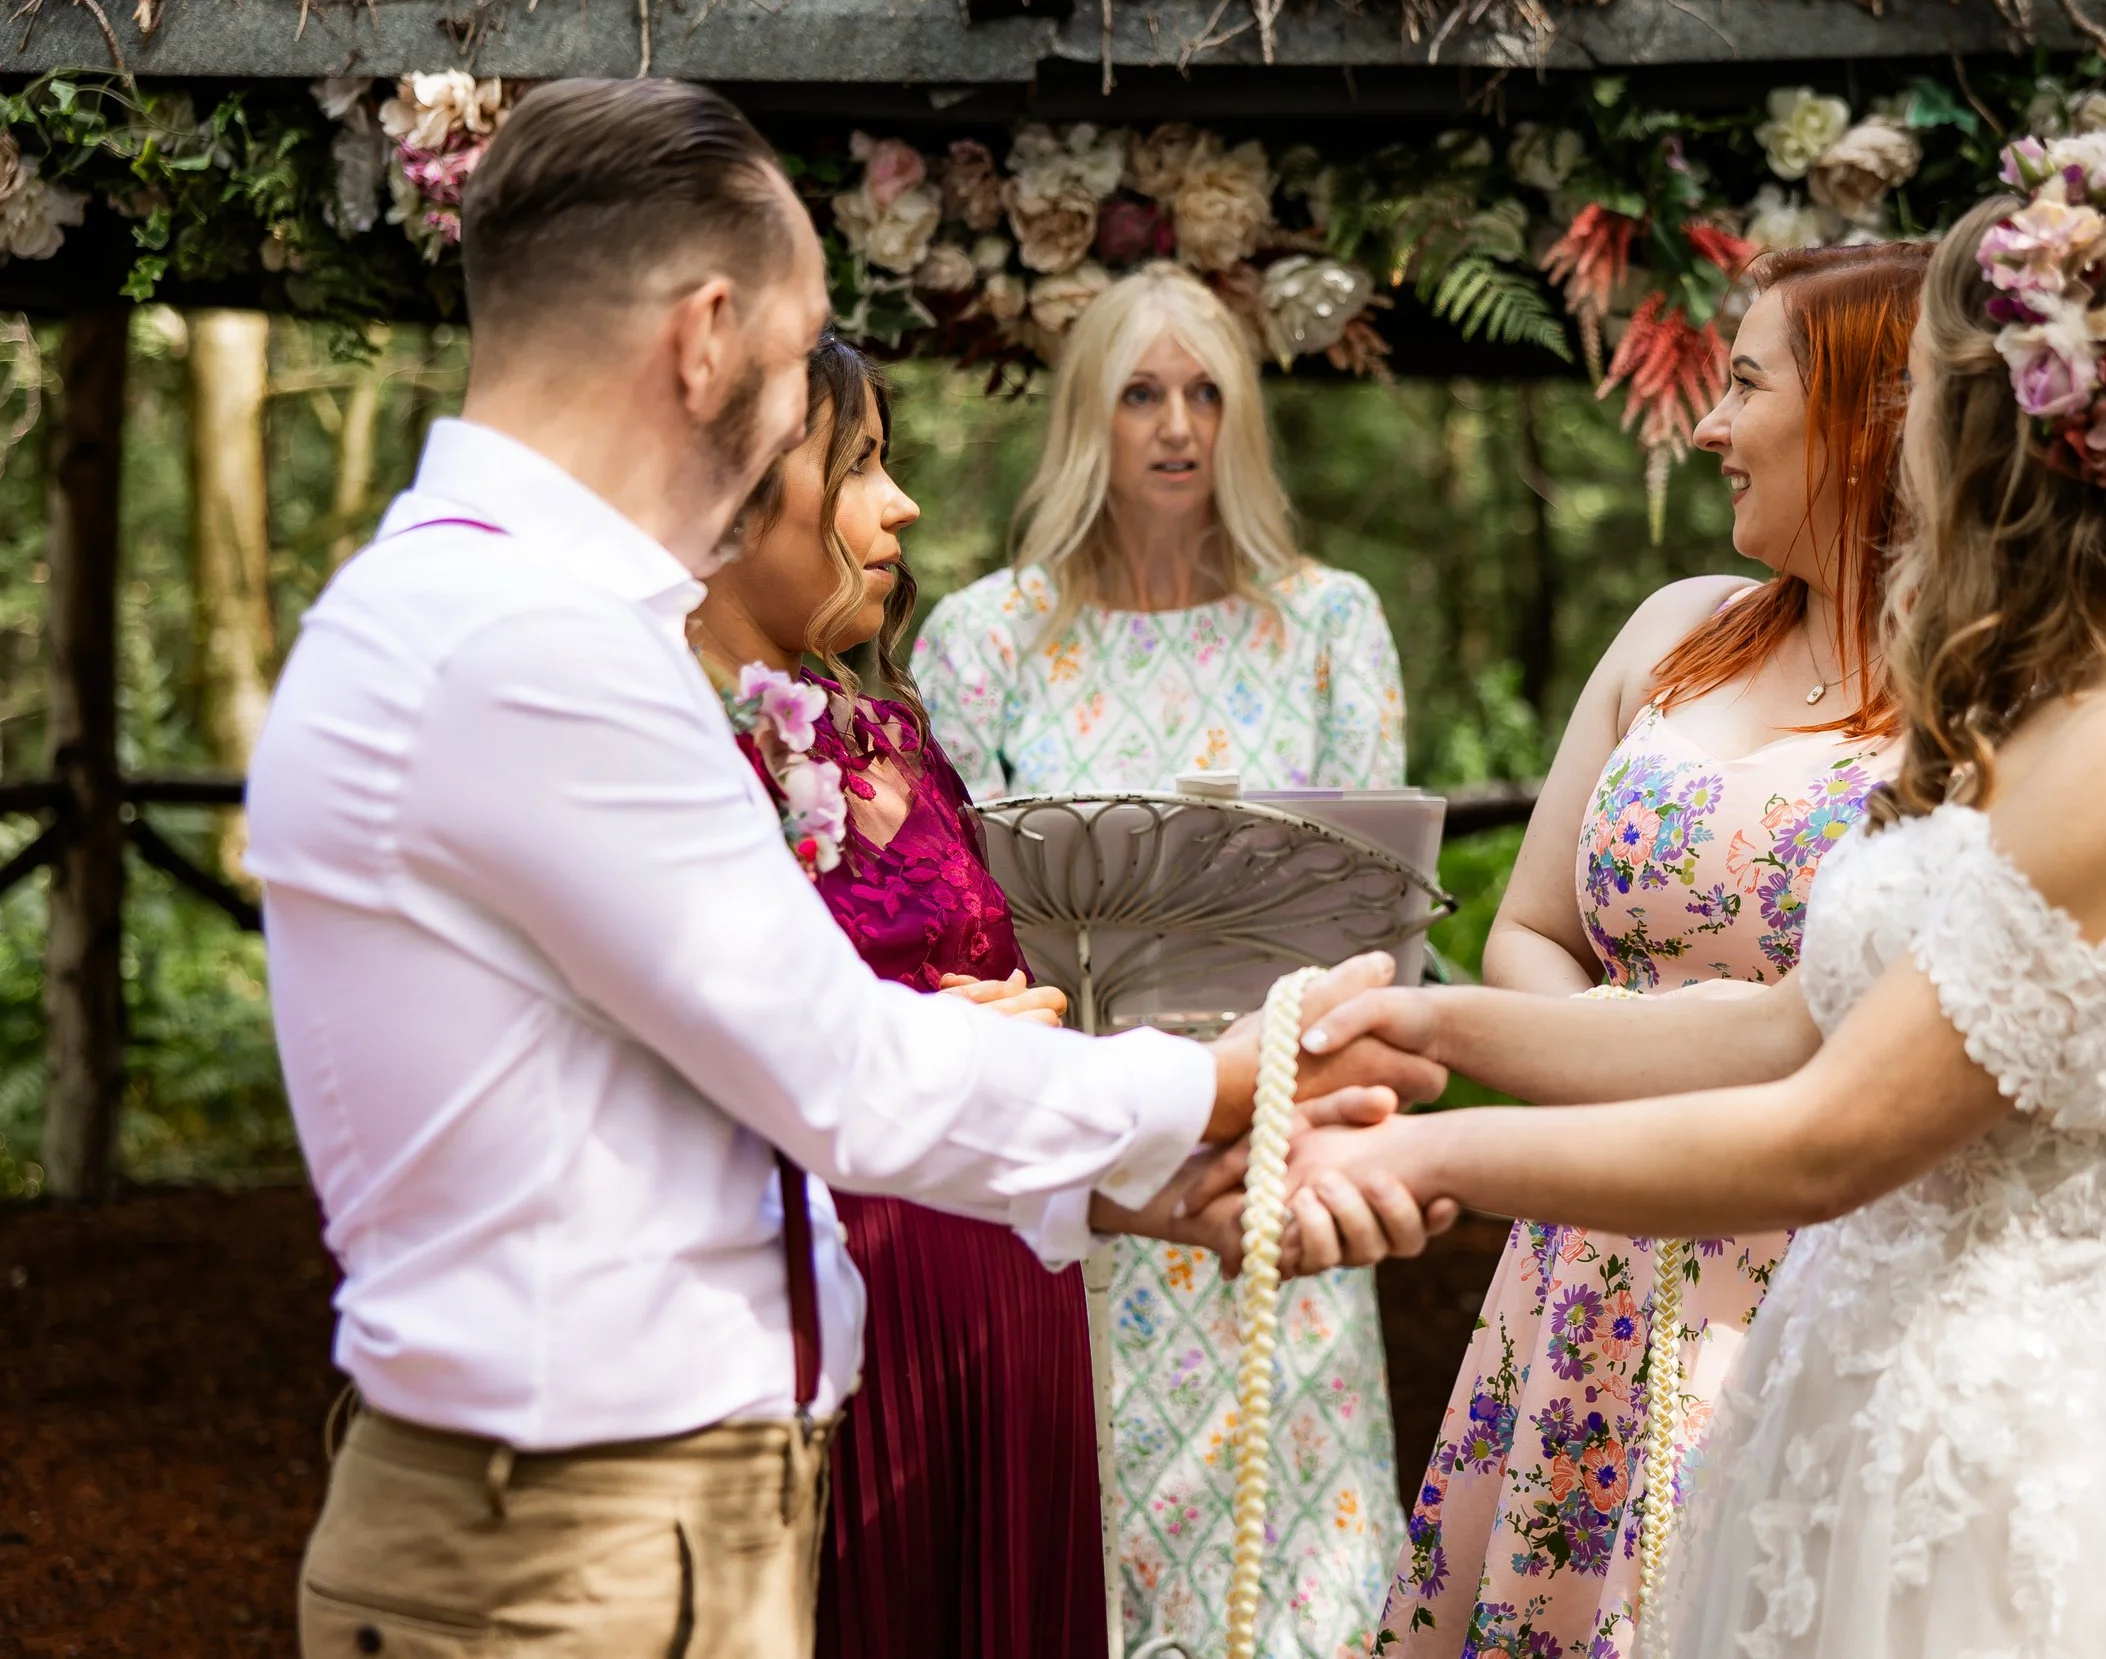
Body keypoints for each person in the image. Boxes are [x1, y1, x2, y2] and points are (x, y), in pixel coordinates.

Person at [247, 80, 1448, 1659]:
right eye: (801, 341)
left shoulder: (480, 613)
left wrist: (1137, 1194)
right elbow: (840, 1067)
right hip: (573, 1547)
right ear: (706, 338)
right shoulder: (530, 650)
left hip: (621, 1514)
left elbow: (716, 1119)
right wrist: (1212, 1089)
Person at [1281, 136, 2106, 1654]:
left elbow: (1826, 1135)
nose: (1901, 420)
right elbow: (1790, 1031)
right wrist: (1420, 1017)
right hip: (1841, 1418)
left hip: (1974, 1474)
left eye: (1920, 381)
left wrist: (1422, 1161)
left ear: (2008, 420)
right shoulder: (2056, 708)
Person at [1374, 241, 1928, 1659]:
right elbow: (1530, 931)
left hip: (1803, 1257)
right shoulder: (1675, 631)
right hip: (1588, 1243)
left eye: (1744, 383)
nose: (1707, 422)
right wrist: (1617, 1083)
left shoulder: (1971, 699)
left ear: (1867, 413)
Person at [916, 262, 1408, 1657]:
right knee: (1086, 1555)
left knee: (1291, 1570)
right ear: (1090, 418)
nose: (1178, 424)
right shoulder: (988, 636)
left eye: (1206, 392)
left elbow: (1377, 925)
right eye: (1141, 393)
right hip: (1082, 1166)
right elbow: (950, 932)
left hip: (1279, 1147)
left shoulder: (1330, 623)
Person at [690, 335, 1171, 1659]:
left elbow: (1007, 979)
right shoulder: (665, 757)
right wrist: (924, 1037)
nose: (899, 505)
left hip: (1009, 1296)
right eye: (856, 468)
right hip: (851, 1332)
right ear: (729, 503)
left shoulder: (886, 733)